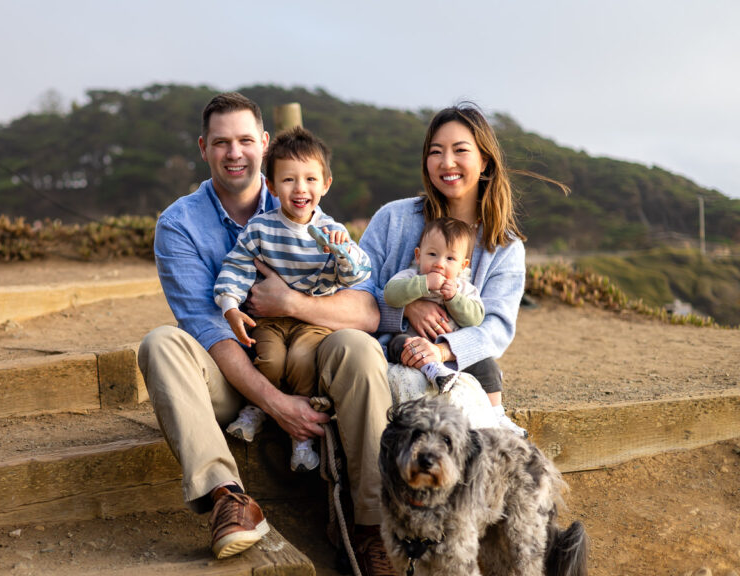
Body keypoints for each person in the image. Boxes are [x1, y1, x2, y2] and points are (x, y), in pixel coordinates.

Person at [137, 93, 401, 576]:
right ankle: (227, 499)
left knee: (361, 350)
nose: (233, 153)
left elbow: (367, 311)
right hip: (235, 373)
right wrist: (277, 406)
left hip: (308, 356)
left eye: (243, 140)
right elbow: (209, 329)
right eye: (220, 143)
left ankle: (370, 528)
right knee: (161, 344)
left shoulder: (302, 199)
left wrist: (293, 302)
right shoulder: (179, 225)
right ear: (203, 148)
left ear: (263, 143)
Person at [353, 102, 566, 434]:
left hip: (460, 366)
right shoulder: (392, 219)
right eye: (436, 151)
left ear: (484, 161)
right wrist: (406, 309)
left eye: (460, 150)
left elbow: (496, 325)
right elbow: (356, 287)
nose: (447, 162)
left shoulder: (505, 246)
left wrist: (441, 349)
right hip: (386, 356)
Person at [214, 127, 372, 472]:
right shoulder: (260, 228)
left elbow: (358, 276)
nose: (300, 189)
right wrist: (229, 305)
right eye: (288, 180)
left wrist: (341, 252)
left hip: (314, 322)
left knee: (302, 360)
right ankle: (257, 408)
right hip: (269, 319)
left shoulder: (334, 232)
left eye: (311, 179)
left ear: (326, 184)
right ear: (270, 186)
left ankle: (302, 440)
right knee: (269, 359)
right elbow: (238, 266)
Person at [383, 216, 501, 404]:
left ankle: (497, 413)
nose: (439, 263)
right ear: (418, 255)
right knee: (398, 344)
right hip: (413, 345)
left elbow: (475, 318)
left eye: (450, 258)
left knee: (488, 367)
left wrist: (453, 299)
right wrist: (423, 284)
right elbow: (390, 295)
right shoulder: (410, 276)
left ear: (463, 265)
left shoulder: (463, 289)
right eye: (432, 254)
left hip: (451, 352)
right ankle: (435, 371)